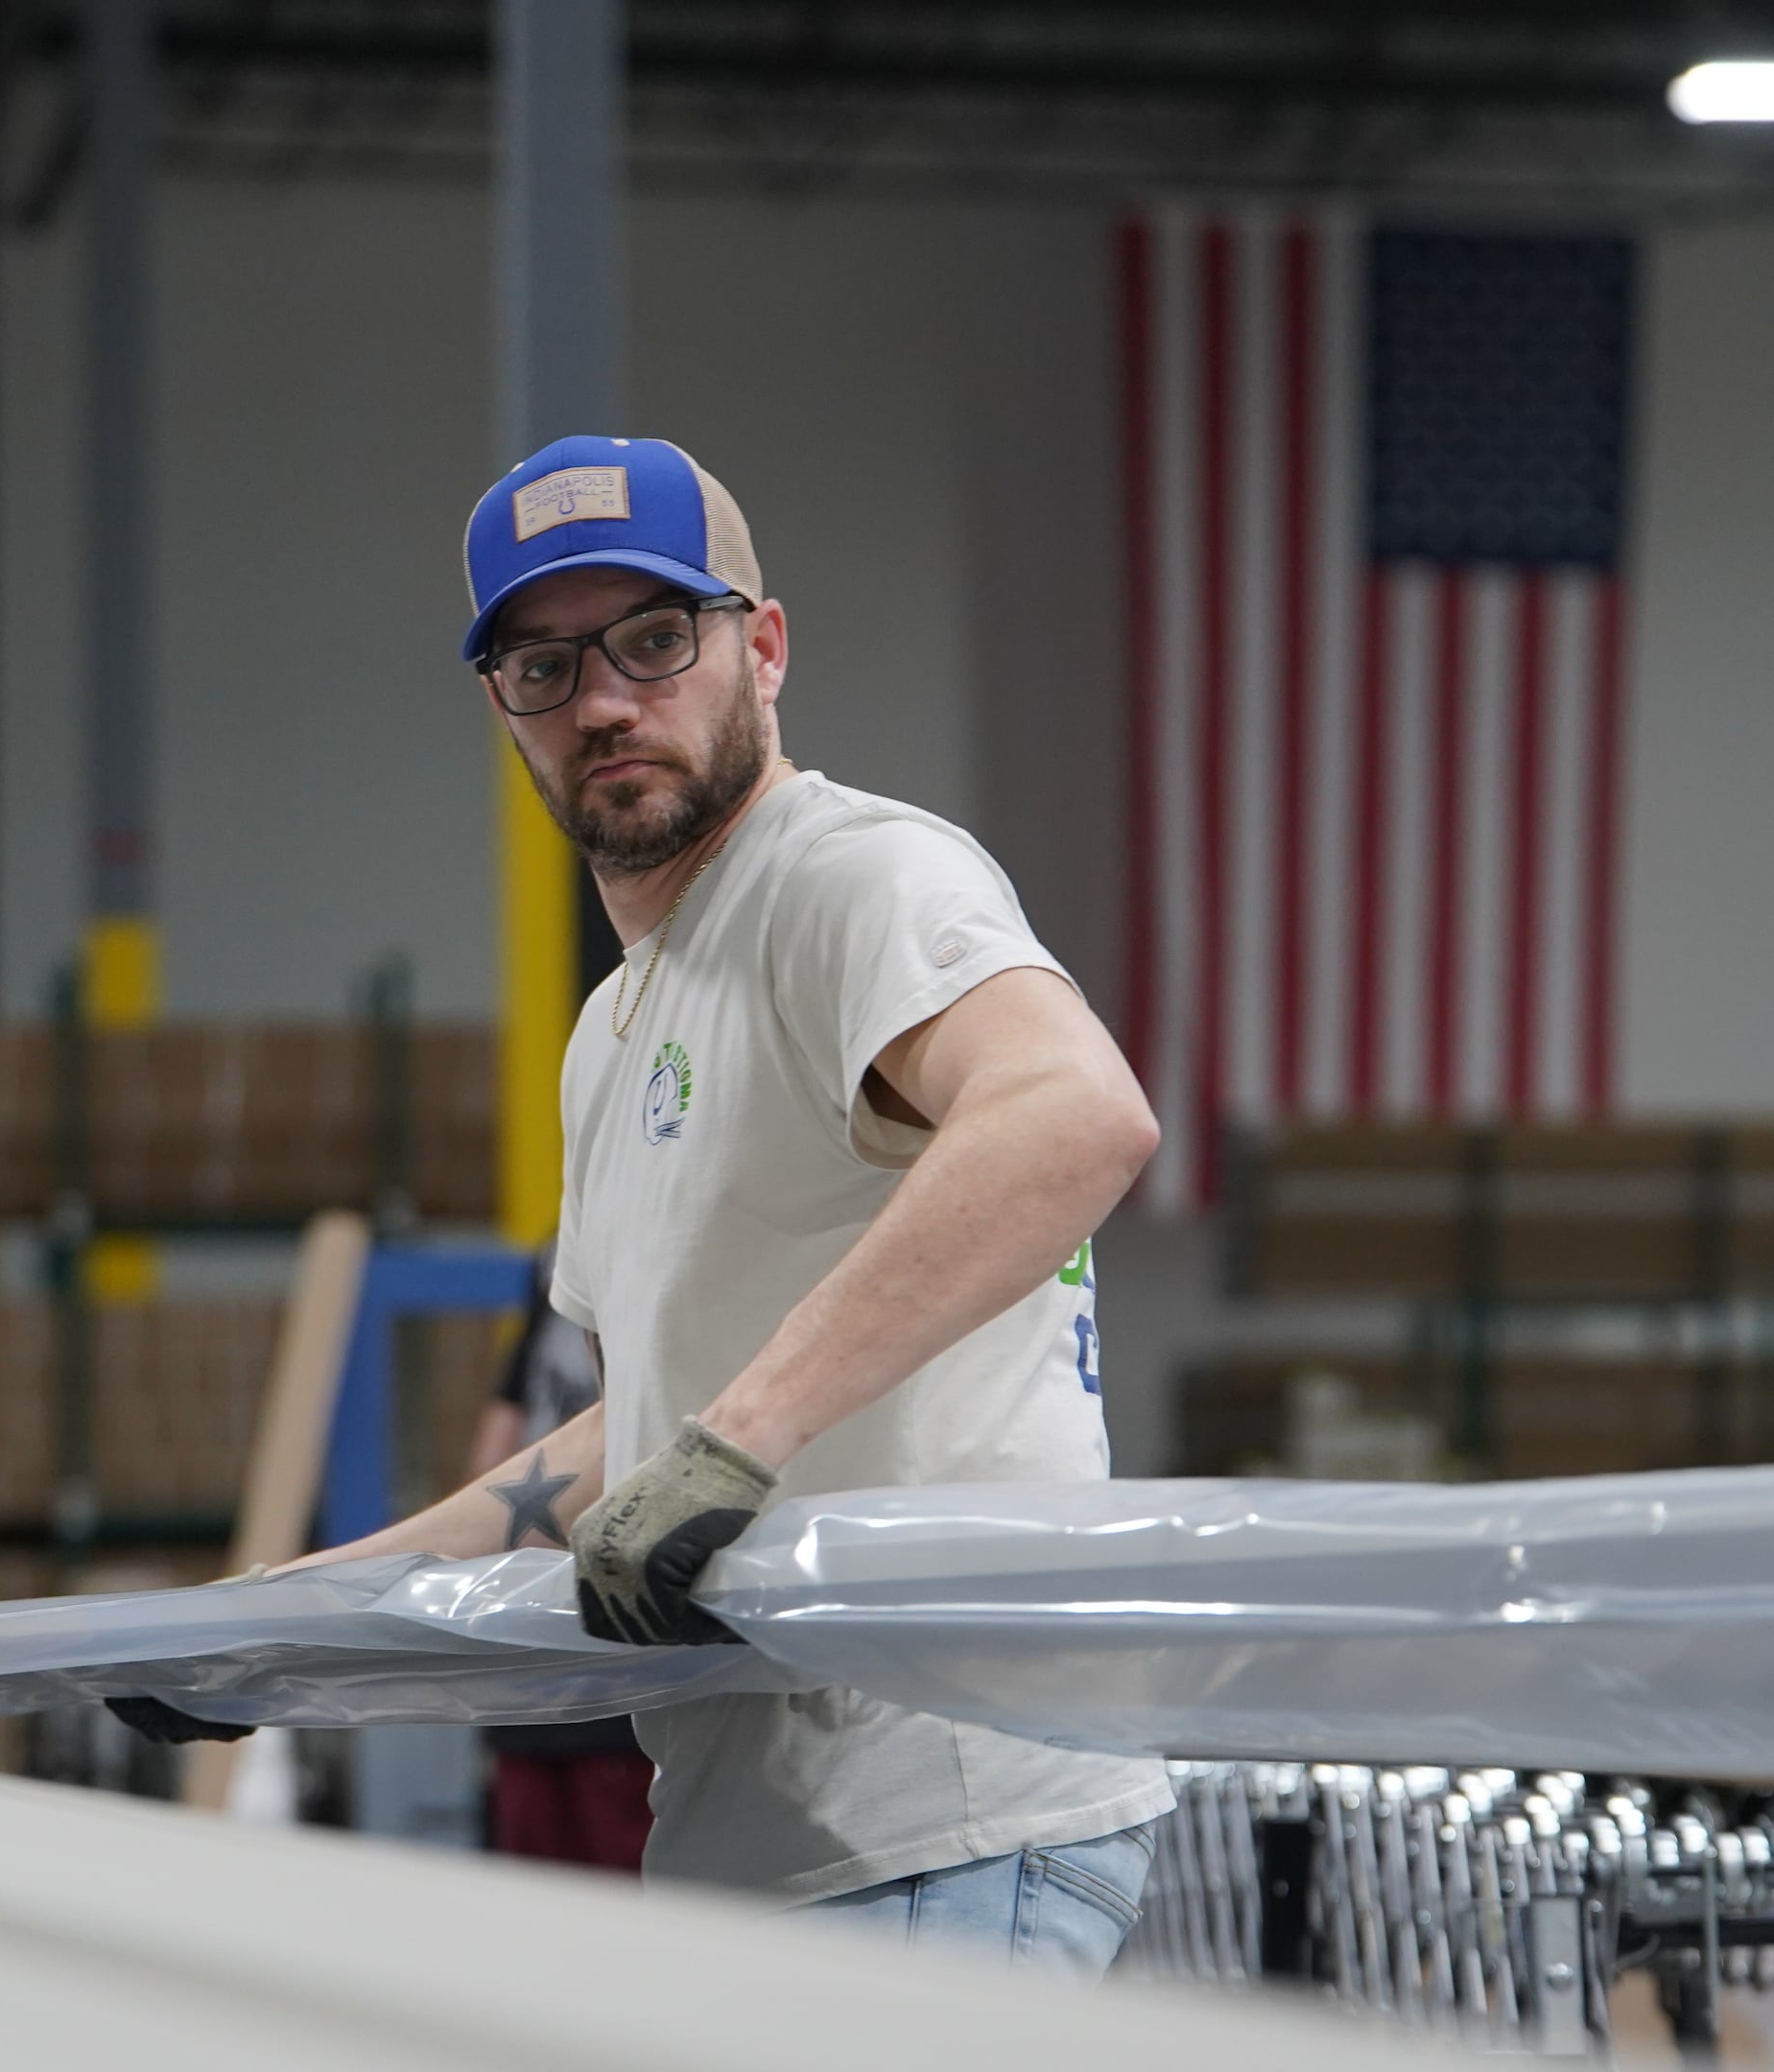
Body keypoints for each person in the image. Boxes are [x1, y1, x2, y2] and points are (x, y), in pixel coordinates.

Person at [130, 434, 1170, 1973]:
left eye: (653, 639)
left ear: (764, 646)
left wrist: (734, 1441)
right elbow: (639, 1444)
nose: (604, 699)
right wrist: (302, 1610)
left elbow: (1074, 1112)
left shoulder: (852, 879)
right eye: (544, 667)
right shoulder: (615, 1035)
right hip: (766, 1834)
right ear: (504, 710)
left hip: (949, 1818)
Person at [464, 1234, 654, 1872]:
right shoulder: (562, 1249)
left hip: (629, 1634)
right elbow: (508, 1419)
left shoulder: (659, 1230)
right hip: (538, 1633)